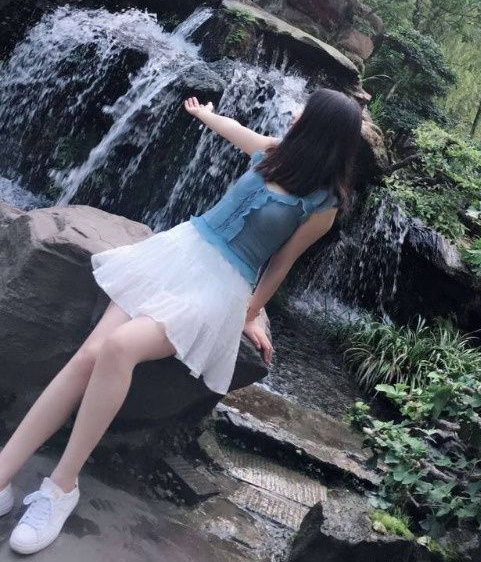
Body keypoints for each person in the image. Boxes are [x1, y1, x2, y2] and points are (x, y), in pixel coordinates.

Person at [0, 87, 362, 554]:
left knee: (119, 348)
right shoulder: (274, 152)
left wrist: (251, 314)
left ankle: (61, 487)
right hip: (179, 251)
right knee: (89, 355)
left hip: (221, 286)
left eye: (304, 112)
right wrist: (206, 114)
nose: (294, 114)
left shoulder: (324, 204)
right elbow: (235, 131)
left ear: (319, 129)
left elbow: (281, 264)